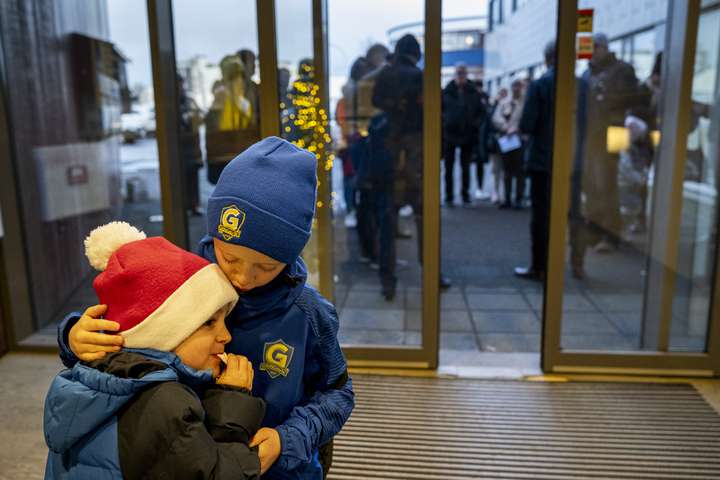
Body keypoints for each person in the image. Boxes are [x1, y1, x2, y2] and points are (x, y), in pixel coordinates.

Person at [57, 137, 355, 480]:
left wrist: (288, 439)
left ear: (290, 256)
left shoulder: (309, 314)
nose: (244, 277)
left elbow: (338, 393)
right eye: (231, 257)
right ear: (215, 233)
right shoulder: (183, 282)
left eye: (266, 267)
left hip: (282, 470)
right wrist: (74, 337)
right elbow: (126, 340)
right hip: (196, 462)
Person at [44, 221, 265, 479]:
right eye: (208, 322)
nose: (226, 336)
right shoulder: (167, 402)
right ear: (161, 335)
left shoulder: (96, 378)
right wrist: (232, 404)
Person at [372, 34, 451, 299]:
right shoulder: (421, 77)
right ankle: (433, 275)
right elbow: (438, 115)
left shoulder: (385, 75)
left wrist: (395, 106)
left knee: (388, 219)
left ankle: (388, 282)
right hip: (419, 155)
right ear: (416, 53)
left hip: (391, 153)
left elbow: (375, 101)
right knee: (425, 217)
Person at [570, 33, 639, 278]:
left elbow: (635, 97)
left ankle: (610, 234)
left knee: (607, 184)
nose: (592, 52)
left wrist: (606, 99)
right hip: (591, 136)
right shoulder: (588, 73)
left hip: (612, 133)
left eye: (594, 47)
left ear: (603, 47)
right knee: (591, 186)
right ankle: (596, 228)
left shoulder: (621, 70)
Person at [515, 42, 556, 281]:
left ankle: (538, 266)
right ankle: (574, 263)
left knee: (541, 215)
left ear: (546, 58)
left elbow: (527, 124)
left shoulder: (540, 85)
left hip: (542, 159)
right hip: (571, 160)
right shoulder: (581, 84)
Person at [442, 63, 485, 207]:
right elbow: (440, 110)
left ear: (466, 74)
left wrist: (474, 124)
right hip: (450, 134)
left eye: (463, 73)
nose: (460, 76)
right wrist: (446, 122)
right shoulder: (447, 92)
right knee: (449, 167)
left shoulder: (473, 92)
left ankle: (465, 194)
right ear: (455, 74)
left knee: (465, 166)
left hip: (467, 134)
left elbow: (481, 112)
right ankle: (449, 195)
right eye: (458, 73)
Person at [492, 79, 526, 209]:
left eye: (518, 85)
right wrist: (506, 127)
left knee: (519, 170)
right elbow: (496, 118)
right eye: (514, 85)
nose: (516, 88)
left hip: (519, 139)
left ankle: (519, 198)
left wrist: (516, 128)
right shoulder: (504, 103)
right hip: (506, 139)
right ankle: (507, 198)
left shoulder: (525, 103)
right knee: (506, 170)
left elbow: (527, 118)